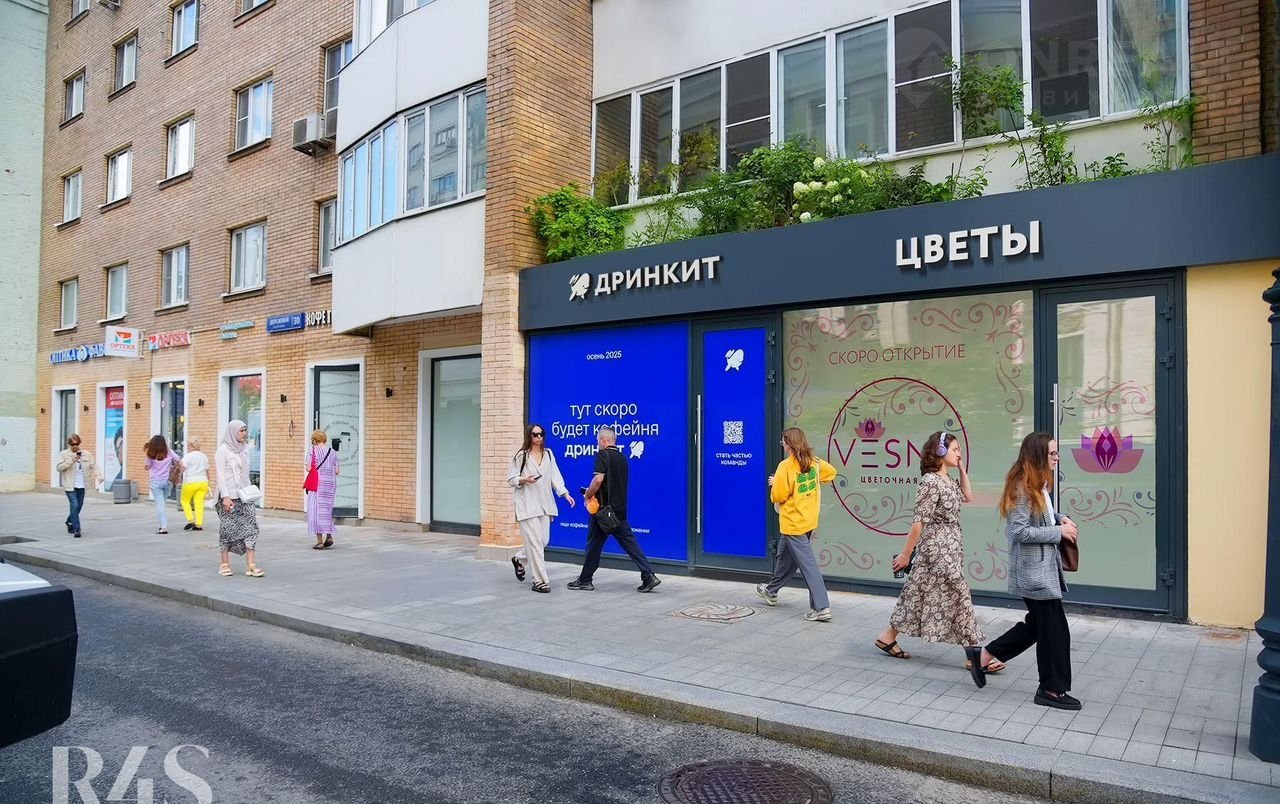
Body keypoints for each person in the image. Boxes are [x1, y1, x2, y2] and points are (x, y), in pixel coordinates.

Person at [875, 431, 991, 689]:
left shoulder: (947, 480)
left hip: (950, 547)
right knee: (959, 594)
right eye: (954, 449)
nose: (959, 453)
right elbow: (919, 521)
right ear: (939, 451)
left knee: (916, 593)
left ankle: (888, 636)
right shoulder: (930, 482)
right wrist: (906, 554)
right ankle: (974, 653)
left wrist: (962, 469)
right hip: (937, 549)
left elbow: (968, 496)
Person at [975, 432, 1082, 710]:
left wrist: (1060, 518)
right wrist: (1059, 532)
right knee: (1056, 631)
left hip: (1042, 570)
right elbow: (1018, 532)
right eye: (1052, 453)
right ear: (1037, 455)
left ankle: (984, 655)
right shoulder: (1022, 488)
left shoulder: (1038, 484)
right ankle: (1051, 689)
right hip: (1034, 573)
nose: (1057, 458)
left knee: (1038, 626)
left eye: (1056, 453)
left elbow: (1042, 516)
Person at [756, 427, 838, 622]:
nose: (782, 445)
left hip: (793, 523)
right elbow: (831, 472)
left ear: (788, 444)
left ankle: (821, 607)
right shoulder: (814, 462)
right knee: (786, 558)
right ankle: (771, 590)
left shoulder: (785, 466)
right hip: (808, 521)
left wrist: (775, 483)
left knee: (808, 566)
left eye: (783, 442)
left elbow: (779, 495)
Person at [568, 426, 661, 593]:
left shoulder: (602, 455)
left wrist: (588, 495)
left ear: (603, 440)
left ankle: (585, 580)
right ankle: (648, 576)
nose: (597, 444)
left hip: (604, 512)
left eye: (598, 441)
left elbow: (598, 480)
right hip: (619, 511)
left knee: (593, 546)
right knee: (631, 545)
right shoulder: (622, 458)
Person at [508, 423, 575, 593]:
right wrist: (524, 479)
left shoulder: (548, 454)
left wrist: (565, 493)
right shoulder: (521, 456)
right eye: (535, 434)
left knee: (543, 541)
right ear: (529, 436)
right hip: (527, 505)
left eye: (541, 434)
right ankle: (540, 581)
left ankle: (519, 559)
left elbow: (555, 476)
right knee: (536, 544)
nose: (539, 437)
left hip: (545, 505)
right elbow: (511, 479)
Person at [216, 419, 264, 578]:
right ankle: (224, 564)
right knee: (227, 530)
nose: (244, 433)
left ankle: (251, 565)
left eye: (245, 430)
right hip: (228, 496)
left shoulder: (245, 449)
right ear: (232, 432)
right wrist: (225, 496)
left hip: (245, 495)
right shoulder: (223, 450)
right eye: (241, 431)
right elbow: (220, 475)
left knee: (252, 528)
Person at [55, 434, 96, 538]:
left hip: (82, 484)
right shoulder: (63, 454)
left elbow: (93, 465)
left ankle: (69, 521)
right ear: (69, 444)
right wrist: (71, 461)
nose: (75, 446)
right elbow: (59, 468)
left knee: (79, 506)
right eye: (73, 444)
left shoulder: (86, 454)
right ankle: (77, 529)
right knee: (74, 505)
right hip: (70, 485)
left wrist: (99, 475)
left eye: (77, 444)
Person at [305, 430, 340, 550]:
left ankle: (319, 542)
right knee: (326, 510)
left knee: (316, 511)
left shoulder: (312, 450)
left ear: (314, 440)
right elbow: (337, 471)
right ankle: (329, 536)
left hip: (317, 484)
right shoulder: (332, 452)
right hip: (330, 484)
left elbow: (308, 468)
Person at [144, 435, 178, 534]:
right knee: (162, 503)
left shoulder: (150, 454)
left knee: (160, 504)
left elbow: (146, 467)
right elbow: (178, 460)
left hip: (155, 482)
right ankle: (162, 525)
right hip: (167, 482)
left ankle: (163, 527)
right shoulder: (169, 452)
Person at [180, 438, 209, 531]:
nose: (187, 447)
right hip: (203, 482)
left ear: (192, 446)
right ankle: (198, 524)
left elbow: (182, 469)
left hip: (191, 481)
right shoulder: (204, 456)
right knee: (199, 503)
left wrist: (178, 475)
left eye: (188, 446)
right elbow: (207, 471)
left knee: (185, 501)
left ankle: (190, 520)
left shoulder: (188, 456)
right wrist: (208, 483)